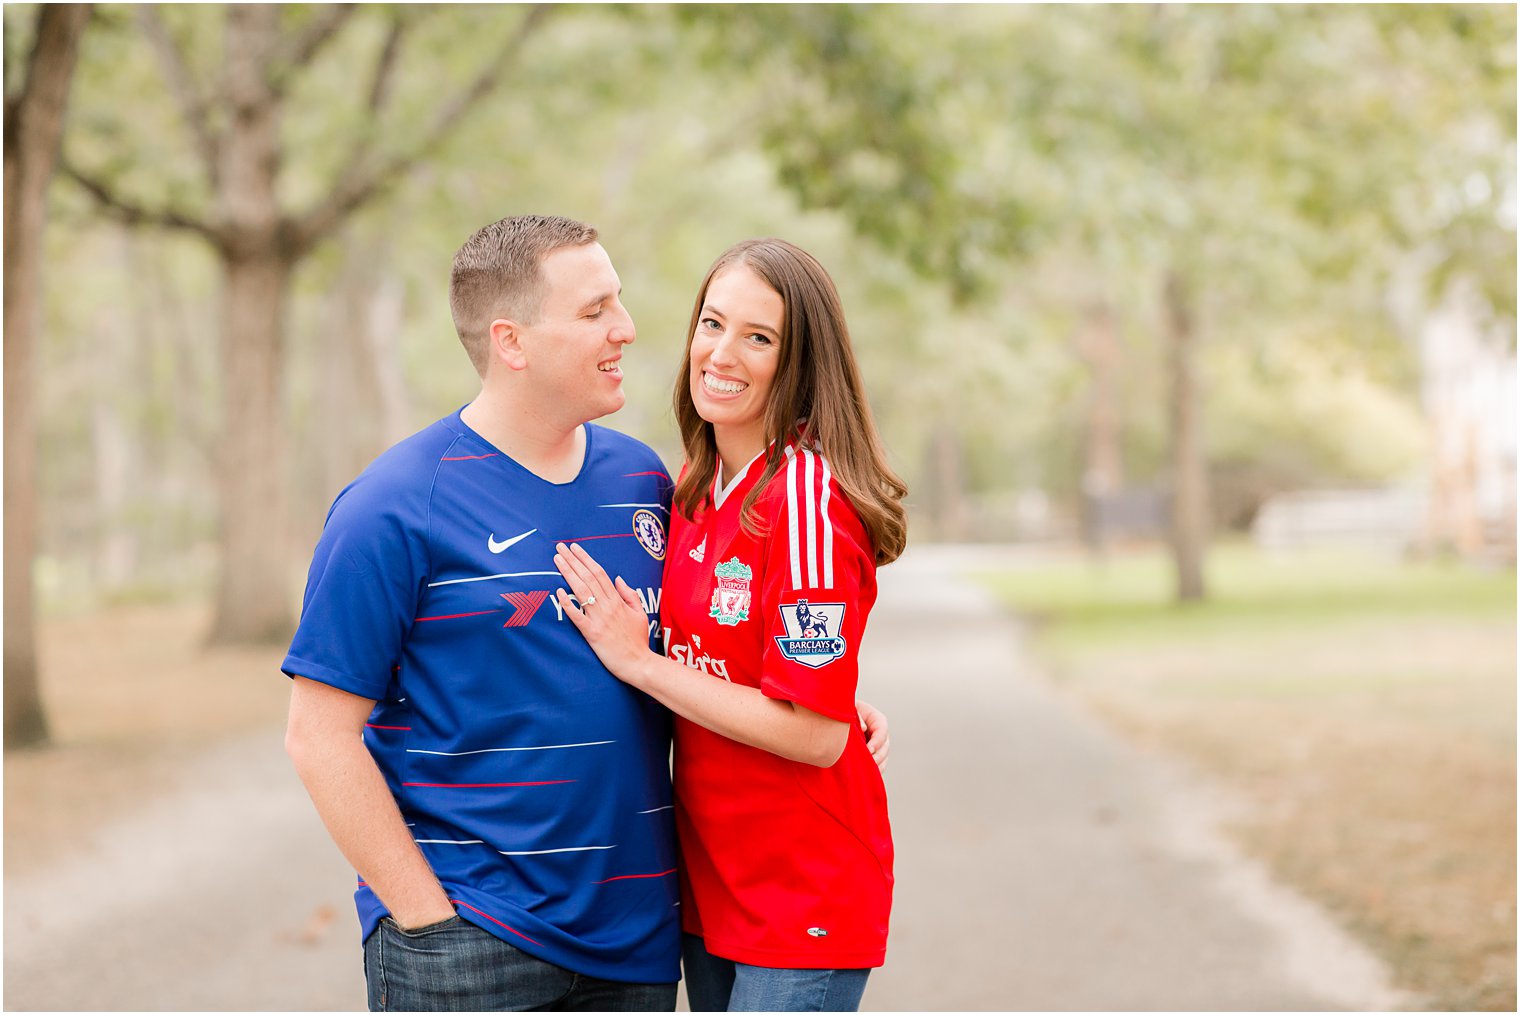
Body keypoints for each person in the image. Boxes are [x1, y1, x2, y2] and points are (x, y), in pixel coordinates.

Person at [281, 216, 887, 1012]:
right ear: (514, 341)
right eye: (596, 309)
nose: (629, 330)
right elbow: (317, 733)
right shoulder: (391, 507)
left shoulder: (644, 483)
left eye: (621, 304)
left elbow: (702, 638)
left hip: (636, 945)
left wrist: (815, 696)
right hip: (470, 939)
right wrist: (424, 918)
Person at [552, 237, 908, 1012]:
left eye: (759, 337)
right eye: (712, 323)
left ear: (798, 361)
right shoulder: (694, 488)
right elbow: (744, 660)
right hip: (711, 884)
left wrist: (639, 662)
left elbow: (815, 735)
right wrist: (831, 690)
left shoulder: (807, 500)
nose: (722, 352)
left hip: (801, 893)